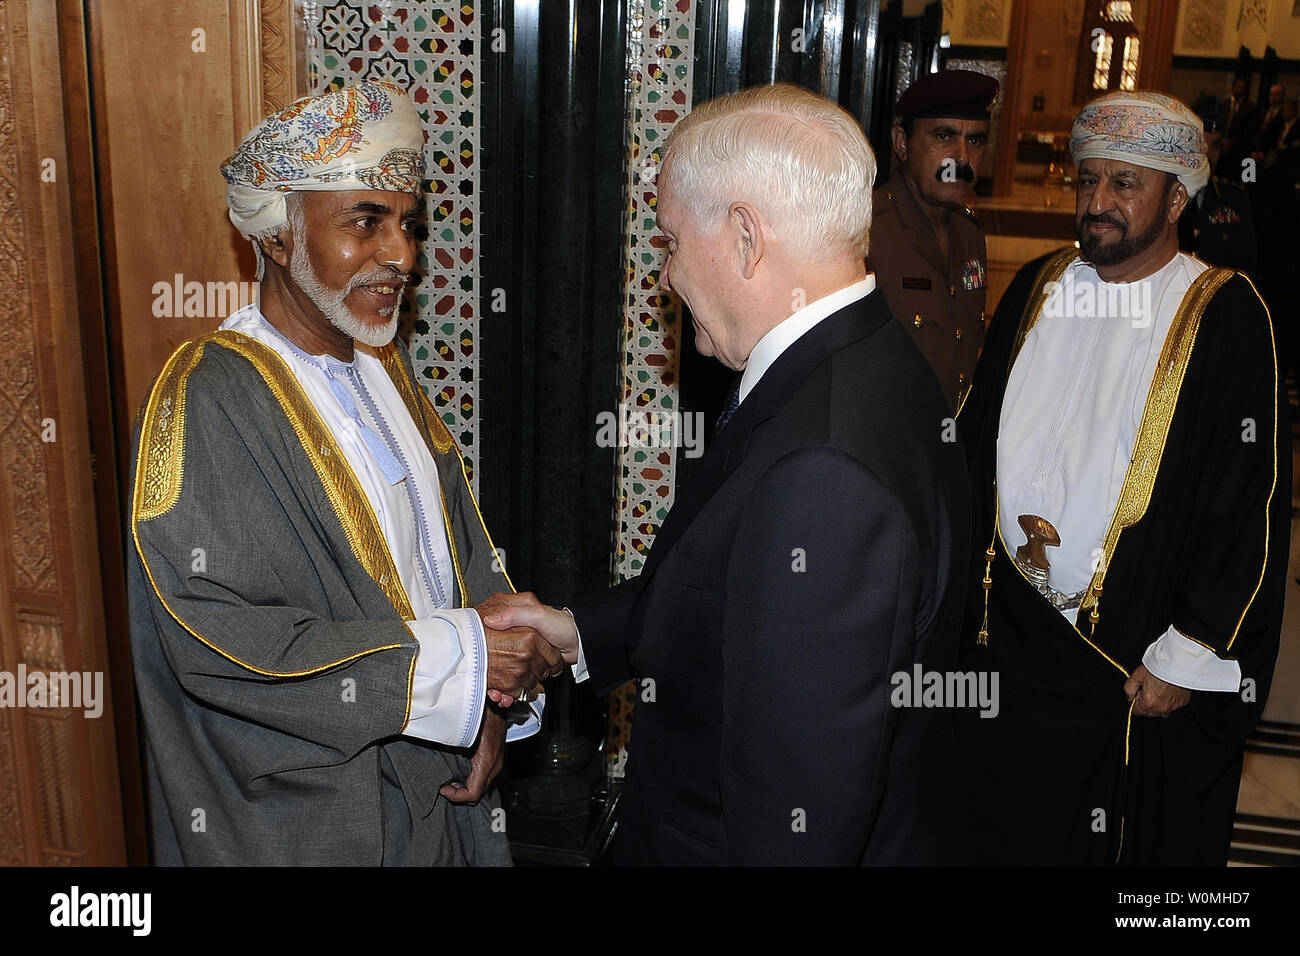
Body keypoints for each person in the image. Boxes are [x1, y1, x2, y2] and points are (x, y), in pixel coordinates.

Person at [484, 83, 972, 865]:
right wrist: (578, 633)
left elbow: (795, 825)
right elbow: (738, 591)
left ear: (746, 236)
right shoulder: (861, 356)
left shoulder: (826, 473)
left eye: (671, 241)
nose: (666, 275)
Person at [127, 81, 564, 865]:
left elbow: (459, 560)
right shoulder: (204, 396)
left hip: (442, 785)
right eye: (364, 221)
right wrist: (461, 667)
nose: (399, 254)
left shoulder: (384, 369)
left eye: (407, 224)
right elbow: (218, 639)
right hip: (317, 817)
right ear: (277, 236)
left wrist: (491, 706)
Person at [955, 90, 1289, 865]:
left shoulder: (1226, 313)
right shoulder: (1039, 287)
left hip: (1126, 671)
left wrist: (1194, 648)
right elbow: (972, 451)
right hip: (1007, 639)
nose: (1097, 203)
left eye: (1124, 185)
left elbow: (1250, 504)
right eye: (1087, 182)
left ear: (1179, 197)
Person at [867, 69, 999, 412]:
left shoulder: (970, 234)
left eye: (975, 141)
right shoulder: (867, 231)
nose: (962, 158)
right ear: (902, 142)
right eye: (944, 137)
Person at [1178, 100, 1257, 274]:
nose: (1209, 155)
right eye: (1203, 145)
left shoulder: (1233, 199)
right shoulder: (1169, 196)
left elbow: (1245, 266)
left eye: (1215, 146)